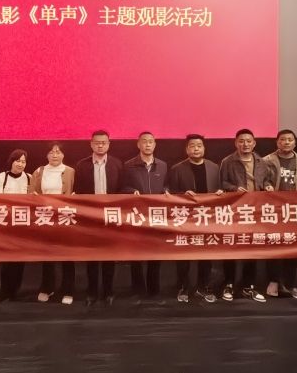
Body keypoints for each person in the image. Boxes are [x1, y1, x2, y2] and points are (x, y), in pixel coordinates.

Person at [219, 128, 274, 303]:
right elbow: (222, 183)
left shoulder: (262, 162)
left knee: (252, 249)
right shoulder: (227, 161)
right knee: (231, 249)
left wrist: (268, 186)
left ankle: (248, 286)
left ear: (254, 143)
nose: (245, 144)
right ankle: (228, 284)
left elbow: (266, 180)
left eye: (249, 141)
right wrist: (234, 189)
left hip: (255, 212)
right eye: (241, 141)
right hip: (234, 211)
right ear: (236, 143)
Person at [168, 134, 222, 303]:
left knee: (206, 254)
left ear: (204, 148)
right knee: (184, 255)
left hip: (207, 218)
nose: (196, 149)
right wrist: (182, 194)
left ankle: (203, 287)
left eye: (199, 145)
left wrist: (221, 192)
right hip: (185, 218)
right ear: (187, 149)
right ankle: (183, 286)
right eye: (192, 146)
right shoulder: (177, 168)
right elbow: (170, 191)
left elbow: (221, 188)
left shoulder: (214, 167)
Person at [263, 129, 297, 299]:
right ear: (277, 142)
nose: (286, 142)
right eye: (282, 139)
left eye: (289, 139)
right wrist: (267, 186)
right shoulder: (267, 161)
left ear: (295, 142)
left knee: (294, 247)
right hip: (274, 211)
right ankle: (273, 281)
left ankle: (290, 283)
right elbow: (261, 181)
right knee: (274, 245)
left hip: (295, 212)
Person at [75, 130, 123, 306]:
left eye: (103, 142)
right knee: (92, 256)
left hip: (110, 216)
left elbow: (122, 189)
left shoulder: (117, 164)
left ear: (109, 144)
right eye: (97, 142)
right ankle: (92, 292)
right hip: (90, 216)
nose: (100, 145)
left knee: (109, 256)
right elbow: (78, 191)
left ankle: (109, 291)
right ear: (91, 144)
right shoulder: (82, 165)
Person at [122, 131, 168, 301]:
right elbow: (122, 187)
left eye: (151, 142)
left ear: (155, 144)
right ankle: (138, 290)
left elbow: (167, 185)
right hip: (137, 216)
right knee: (136, 254)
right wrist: (131, 191)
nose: (148, 145)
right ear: (138, 144)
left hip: (156, 216)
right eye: (144, 141)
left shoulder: (162, 165)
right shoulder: (128, 165)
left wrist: (167, 191)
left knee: (155, 254)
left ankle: (154, 291)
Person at [30, 142, 76, 304]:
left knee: (67, 256)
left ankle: (68, 290)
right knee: (47, 254)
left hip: (65, 217)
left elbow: (78, 193)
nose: (55, 155)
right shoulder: (39, 171)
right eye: (51, 152)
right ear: (46, 155)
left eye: (58, 152)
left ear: (63, 154)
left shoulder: (71, 171)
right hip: (46, 217)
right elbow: (31, 192)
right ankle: (47, 287)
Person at [0, 149, 31, 301]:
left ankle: (15, 291)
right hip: (6, 225)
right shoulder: (1, 177)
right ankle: (5, 291)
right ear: (11, 161)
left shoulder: (29, 178)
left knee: (20, 260)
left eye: (23, 162)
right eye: (18, 161)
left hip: (23, 225)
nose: (20, 164)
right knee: (6, 259)